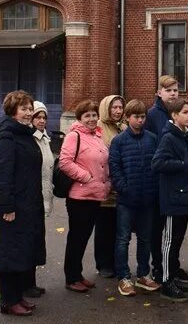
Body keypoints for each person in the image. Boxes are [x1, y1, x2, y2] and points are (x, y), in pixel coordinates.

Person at [0, 90, 46, 316]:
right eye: (23, 109)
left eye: (30, 109)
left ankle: (18, 296)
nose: (28, 113)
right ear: (12, 111)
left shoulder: (25, 134)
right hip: (13, 206)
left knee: (22, 250)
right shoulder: (6, 137)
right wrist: (7, 207)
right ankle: (8, 301)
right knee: (10, 252)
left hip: (28, 204)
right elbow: (3, 175)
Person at [108, 99, 161, 296]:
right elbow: (115, 168)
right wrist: (124, 188)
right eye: (136, 117)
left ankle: (143, 274)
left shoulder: (152, 139)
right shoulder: (119, 141)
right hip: (127, 200)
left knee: (145, 238)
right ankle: (123, 276)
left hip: (147, 198)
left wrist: (153, 188)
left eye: (142, 117)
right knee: (122, 239)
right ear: (128, 117)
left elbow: (156, 165)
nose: (140, 120)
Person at [59, 99, 111, 293]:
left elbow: (103, 164)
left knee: (83, 238)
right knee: (77, 238)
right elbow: (65, 162)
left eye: (94, 115)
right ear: (80, 118)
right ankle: (71, 277)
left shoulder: (96, 136)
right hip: (80, 196)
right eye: (87, 115)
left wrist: (107, 182)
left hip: (95, 195)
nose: (91, 119)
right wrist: (86, 177)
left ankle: (77, 274)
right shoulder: (74, 136)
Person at [151, 98, 188, 302]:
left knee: (178, 238)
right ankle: (165, 280)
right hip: (173, 197)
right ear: (174, 115)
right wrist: (182, 164)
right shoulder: (169, 137)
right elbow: (158, 163)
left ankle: (173, 274)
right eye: (185, 112)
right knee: (169, 241)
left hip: (185, 195)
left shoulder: (186, 135)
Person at [144, 75, 179, 284]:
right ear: (159, 93)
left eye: (175, 90)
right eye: (168, 90)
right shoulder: (152, 115)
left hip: (177, 179)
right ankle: (158, 266)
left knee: (174, 230)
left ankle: (172, 265)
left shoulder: (180, 112)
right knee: (157, 228)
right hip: (159, 178)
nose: (173, 93)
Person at [95, 95, 125, 279]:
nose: (118, 111)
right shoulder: (99, 127)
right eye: (114, 107)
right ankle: (103, 263)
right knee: (104, 228)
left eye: (120, 107)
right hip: (105, 187)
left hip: (119, 187)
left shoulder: (122, 127)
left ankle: (116, 262)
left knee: (118, 228)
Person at [27, 103, 53, 298]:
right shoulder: (30, 139)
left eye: (44, 117)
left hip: (43, 197)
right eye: (38, 117)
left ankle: (31, 282)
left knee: (36, 242)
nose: (41, 121)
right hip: (32, 199)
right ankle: (26, 284)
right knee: (29, 242)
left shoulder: (45, 139)